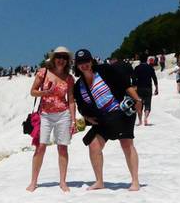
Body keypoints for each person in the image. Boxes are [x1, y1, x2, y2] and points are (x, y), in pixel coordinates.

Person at [72, 49, 142, 192]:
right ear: (77, 66)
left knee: (127, 144)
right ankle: (99, 181)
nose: (84, 65)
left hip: (121, 112)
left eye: (86, 61)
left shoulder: (104, 71)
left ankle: (135, 181)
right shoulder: (78, 86)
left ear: (91, 61)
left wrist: (137, 99)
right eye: (81, 63)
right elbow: (80, 105)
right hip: (104, 119)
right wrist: (86, 117)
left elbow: (124, 84)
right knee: (93, 146)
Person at [27, 46, 76, 193]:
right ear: (54, 58)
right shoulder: (44, 72)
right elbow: (32, 92)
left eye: (64, 57)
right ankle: (33, 181)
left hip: (63, 114)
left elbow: (71, 100)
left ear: (67, 61)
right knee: (41, 147)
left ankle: (62, 181)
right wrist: (45, 92)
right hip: (45, 114)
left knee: (62, 147)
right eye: (58, 57)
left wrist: (73, 120)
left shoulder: (69, 78)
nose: (61, 60)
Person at [133, 56, 159, 126]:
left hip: (140, 88)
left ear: (140, 61)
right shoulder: (150, 67)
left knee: (139, 104)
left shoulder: (137, 68)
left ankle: (140, 121)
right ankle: (146, 118)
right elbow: (154, 78)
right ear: (146, 61)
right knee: (148, 104)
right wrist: (156, 88)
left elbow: (134, 78)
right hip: (148, 88)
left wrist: (134, 87)